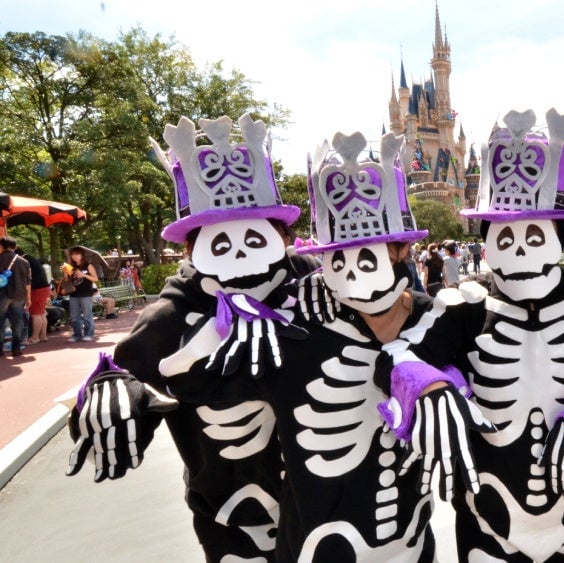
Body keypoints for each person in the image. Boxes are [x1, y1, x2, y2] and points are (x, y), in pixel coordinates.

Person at [164, 130, 438, 560]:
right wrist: (232, 322)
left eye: (370, 257)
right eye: (338, 259)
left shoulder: (433, 322)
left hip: (412, 535)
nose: (353, 276)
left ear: (399, 254)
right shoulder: (290, 330)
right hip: (310, 540)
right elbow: (189, 379)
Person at [65, 114, 314, 561]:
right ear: (194, 246)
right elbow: (125, 369)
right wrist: (111, 388)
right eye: (219, 239)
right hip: (226, 512)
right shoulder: (173, 313)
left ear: (281, 234)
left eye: (254, 233)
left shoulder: (309, 285)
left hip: (321, 503)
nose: (239, 250)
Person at [380, 109, 564, 561]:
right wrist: (432, 387)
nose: (520, 247)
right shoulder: (465, 306)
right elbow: (396, 358)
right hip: (485, 526)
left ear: (559, 234)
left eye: (535, 232)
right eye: (504, 235)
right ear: (487, 239)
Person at [0, 236, 31, 357]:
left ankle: (0, 349)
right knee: (17, 322)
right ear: (15, 247)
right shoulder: (24, 261)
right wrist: (28, 298)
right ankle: (16, 349)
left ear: (2, 246)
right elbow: (28, 282)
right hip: (19, 295)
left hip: (2, 295)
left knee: (0, 322)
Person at [66, 245, 98, 342]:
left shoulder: (88, 265)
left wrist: (84, 275)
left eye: (77, 254)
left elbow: (95, 279)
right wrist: (65, 272)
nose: (74, 256)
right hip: (73, 293)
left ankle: (89, 333)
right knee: (74, 315)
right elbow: (67, 281)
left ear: (82, 255)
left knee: (87, 314)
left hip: (86, 293)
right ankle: (77, 334)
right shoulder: (71, 267)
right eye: (73, 255)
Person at [17, 248, 48, 346]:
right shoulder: (31, 259)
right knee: (42, 313)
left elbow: (27, 278)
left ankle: (35, 337)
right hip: (44, 288)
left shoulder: (25, 261)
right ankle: (43, 336)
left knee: (35, 314)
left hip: (36, 289)